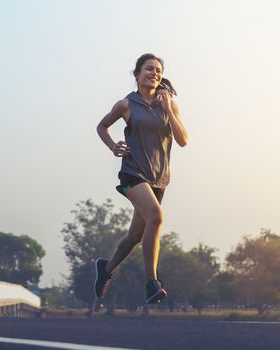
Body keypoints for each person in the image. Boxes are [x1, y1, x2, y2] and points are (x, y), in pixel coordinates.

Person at [94, 53, 188, 304]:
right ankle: (151, 283)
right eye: (149, 69)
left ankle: (106, 269)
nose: (154, 73)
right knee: (156, 217)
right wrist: (114, 146)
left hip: (159, 178)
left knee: (136, 235)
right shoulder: (126, 105)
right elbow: (101, 126)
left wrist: (168, 108)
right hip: (133, 172)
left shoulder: (169, 104)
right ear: (137, 74)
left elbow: (183, 140)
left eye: (158, 70)